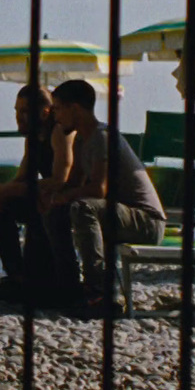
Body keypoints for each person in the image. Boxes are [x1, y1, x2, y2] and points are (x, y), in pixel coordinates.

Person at [41, 79, 166, 318]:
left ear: (75, 109)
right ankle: (68, 287)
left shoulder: (102, 137)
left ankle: (99, 291)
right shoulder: (80, 140)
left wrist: (64, 196)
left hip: (146, 221)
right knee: (56, 210)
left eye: (57, 108)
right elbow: (75, 184)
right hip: (116, 214)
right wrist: (51, 196)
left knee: (82, 207)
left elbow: (98, 190)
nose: (54, 115)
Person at [0, 84, 71, 304]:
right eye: (16, 111)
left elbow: (61, 180)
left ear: (44, 112)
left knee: (40, 205)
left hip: (69, 198)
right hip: (44, 195)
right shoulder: (32, 137)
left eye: (24, 112)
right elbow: (22, 177)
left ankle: (41, 282)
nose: (18, 118)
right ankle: (17, 277)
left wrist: (6, 190)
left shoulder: (59, 132)